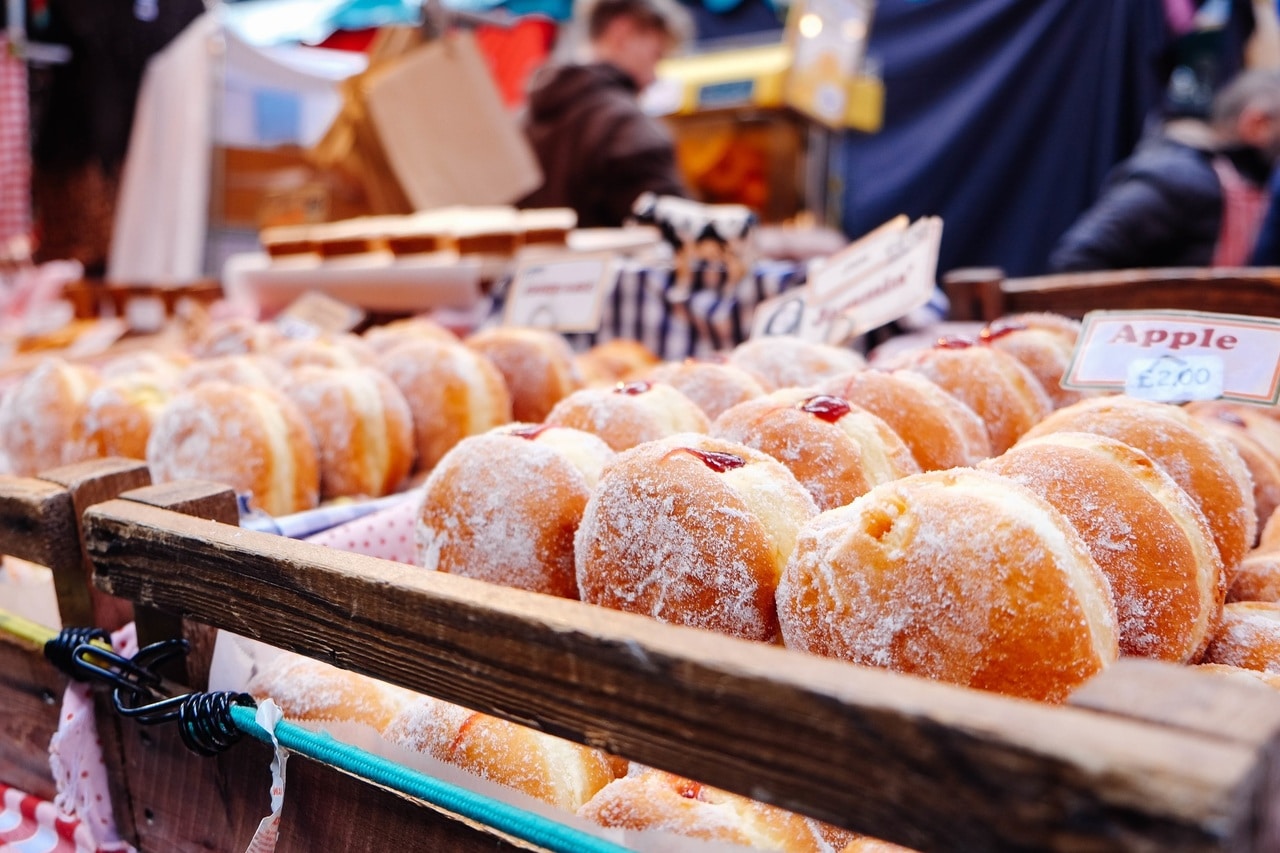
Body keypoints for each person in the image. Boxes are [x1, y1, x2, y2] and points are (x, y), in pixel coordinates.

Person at [1049, 68, 1280, 272]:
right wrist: (1150, 319)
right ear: (1256, 123)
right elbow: (1077, 260)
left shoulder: (1248, 182)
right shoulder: (1177, 178)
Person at [518, 0, 693, 228]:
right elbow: (677, 231)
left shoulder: (524, 119)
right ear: (622, 31)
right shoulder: (627, 126)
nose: (654, 77)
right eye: (656, 55)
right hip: (604, 264)